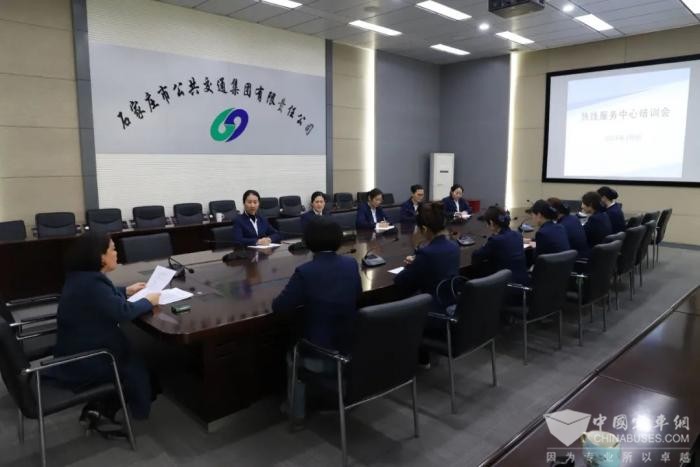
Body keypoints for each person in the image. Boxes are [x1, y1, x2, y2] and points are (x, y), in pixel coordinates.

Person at [47, 233, 161, 432]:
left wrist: (125, 291)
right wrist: (148, 301)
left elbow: (103, 295)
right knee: (139, 369)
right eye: (113, 249)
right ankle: (113, 409)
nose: (117, 253)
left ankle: (100, 407)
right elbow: (123, 312)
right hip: (89, 359)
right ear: (100, 257)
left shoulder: (81, 277)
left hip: (73, 348)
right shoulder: (93, 284)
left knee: (139, 362)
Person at [272, 218, 362, 426]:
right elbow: (357, 295)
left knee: (292, 350)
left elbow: (280, 307)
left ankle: (296, 411)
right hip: (351, 347)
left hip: (322, 355)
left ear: (308, 242)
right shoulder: (351, 264)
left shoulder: (306, 272)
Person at [394, 203, 460, 311]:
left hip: (432, 309)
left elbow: (400, 281)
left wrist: (412, 264)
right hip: (451, 302)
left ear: (424, 229)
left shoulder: (426, 253)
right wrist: (418, 261)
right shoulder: (454, 246)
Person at [471, 205, 529, 287]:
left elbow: (477, 255)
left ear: (491, 223)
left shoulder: (496, 240)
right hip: (523, 283)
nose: (487, 226)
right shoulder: (518, 235)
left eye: (487, 223)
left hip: (506, 286)